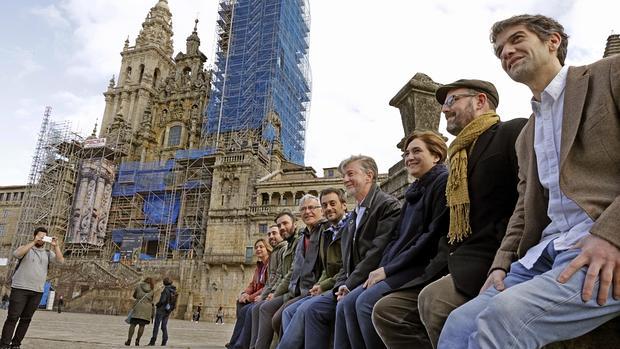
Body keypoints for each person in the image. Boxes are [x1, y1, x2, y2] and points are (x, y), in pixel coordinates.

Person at [438, 14, 620, 349]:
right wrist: (500, 265)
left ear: (553, 42)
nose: (506, 51)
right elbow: (523, 210)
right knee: (458, 321)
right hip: (544, 252)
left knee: (505, 315)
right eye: (500, 49)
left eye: (517, 39)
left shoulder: (609, 73)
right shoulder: (527, 134)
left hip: (600, 242)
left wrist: (612, 235)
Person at [372, 80, 526, 348]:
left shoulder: (512, 131)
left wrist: (506, 258)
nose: (444, 110)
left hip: (495, 258)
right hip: (455, 260)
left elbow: (528, 201)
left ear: (480, 101)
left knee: (434, 300)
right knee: (387, 310)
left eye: (452, 100)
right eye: (444, 103)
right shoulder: (458, 157)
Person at [336, 131, 450, 349]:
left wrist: (387, 270)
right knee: (348, 303)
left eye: (417, 151)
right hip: (402, 265)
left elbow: (430, 238)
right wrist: (383, 268)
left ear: (436, 156)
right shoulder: (414, 191)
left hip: (423, 266)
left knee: (364, 302)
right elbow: (396, 239)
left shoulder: (442, 182)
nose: (409, 158)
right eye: (406, 153)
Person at [303, 155, 402, 349]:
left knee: (344, 305)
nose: (345, 179)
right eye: (344, 175)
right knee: (311, 308)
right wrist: (340, 285)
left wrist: (347, 285)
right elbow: (346, 261)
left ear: (369, 176)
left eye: (350, 174)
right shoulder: (355, 215)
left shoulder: (387, 205)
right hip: (352, 283)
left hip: (373, 279)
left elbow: (376, 253)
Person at [277, 188, 348, 349]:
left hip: (328, 287)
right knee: (286, 312)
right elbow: (323, 267)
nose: (307, 212)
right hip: (308, 288)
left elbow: (339, 267)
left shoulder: (327, 230)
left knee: (299, 310)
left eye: (312, 208)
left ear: (344, 205)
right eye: (303, 209)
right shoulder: (308, 235)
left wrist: (321, 285)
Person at [0, 227, 64, 349]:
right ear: (34, 236)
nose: (41, 239)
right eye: (39, 236)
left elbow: (61, 261)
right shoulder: (26, 248)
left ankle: (16, 344)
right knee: (13, 317)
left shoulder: (47, 253)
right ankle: (4, 344)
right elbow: (17, 254)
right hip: (20, 289)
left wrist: (56, 246)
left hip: (37, 291)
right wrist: (34, 242)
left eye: (43, 237)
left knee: (26, 319)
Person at [250, 211, 297, 349]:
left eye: (274, 233)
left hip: (289, 292)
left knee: (263, 308)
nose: (271, 236)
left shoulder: (285, 248)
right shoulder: (279, 250)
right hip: (284, 290)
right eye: (269, 234)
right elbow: (275, 276)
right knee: (253, 308)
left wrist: (271, 293)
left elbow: (284, 275)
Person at [227, 238, 271, 348]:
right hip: (256, 296)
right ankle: (234, 341)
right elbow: (252, 284)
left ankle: (240, 344)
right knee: (240, 303)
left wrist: (250, 297)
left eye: (261, 247)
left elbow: (267, 285)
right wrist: (245, 293)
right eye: (256, 247)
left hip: (263, 296)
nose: (258, 249)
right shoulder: (259, 266)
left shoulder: (270, 264)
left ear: (267, 248)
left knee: (246, 310)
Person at [125, 277, 154, 346]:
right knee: (142, 325)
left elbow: (134, 296)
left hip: (138, 307)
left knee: (133, 324)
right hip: (146, 309)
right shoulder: (152, 290)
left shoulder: (138, 286)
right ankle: (137, 340)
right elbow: (151, 299)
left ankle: (129, 340)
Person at [147, 277, 177, 346]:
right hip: (168, 310)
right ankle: (164, 340)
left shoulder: (166, 290)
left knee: (156, 325)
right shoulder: (173, 290)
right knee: (164, 325)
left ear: (164, 283)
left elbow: (163, 300)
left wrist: (157, 304)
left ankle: (153, 341)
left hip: (161, 310)